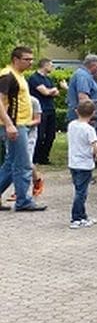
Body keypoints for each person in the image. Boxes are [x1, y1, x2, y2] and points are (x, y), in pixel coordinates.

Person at [0, 46, 46, 212]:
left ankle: (22, 200)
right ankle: (23, 201)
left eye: (31, 59)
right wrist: (9, 124)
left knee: (10, 164)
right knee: (23, 164)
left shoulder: (19, 76)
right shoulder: (7, 75)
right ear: (15, 59)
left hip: (21, 124)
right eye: (27, 59)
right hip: (15, 125)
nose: (30, 62)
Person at [67, 100, 97, 228]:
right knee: (81, 192)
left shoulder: (71, 125)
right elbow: (95, 147)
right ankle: (76, 217)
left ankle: (82, 215)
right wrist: (96, 154)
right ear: (93, 113)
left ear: (77, 111)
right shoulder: (89, 129)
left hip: (73, 162)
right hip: (85, 164)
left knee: (78, 189)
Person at [27, 57, 60, 165]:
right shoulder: (34, 78)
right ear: (44, 65)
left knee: (51, 135)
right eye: (51, 65)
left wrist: (51, 91)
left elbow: (56, 93)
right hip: (40, 110)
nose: (52, 67)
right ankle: (35, 157)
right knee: (40, 135)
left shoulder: (48, 79)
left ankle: (44, 157)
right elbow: (45, 92)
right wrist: (51, 91)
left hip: (50, 108)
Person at [66, 54, 97, 122]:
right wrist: (88, 117)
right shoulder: (83, 76)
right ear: (94, 65)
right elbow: (83, 97)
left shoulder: (83, 74)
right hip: (82, 118)